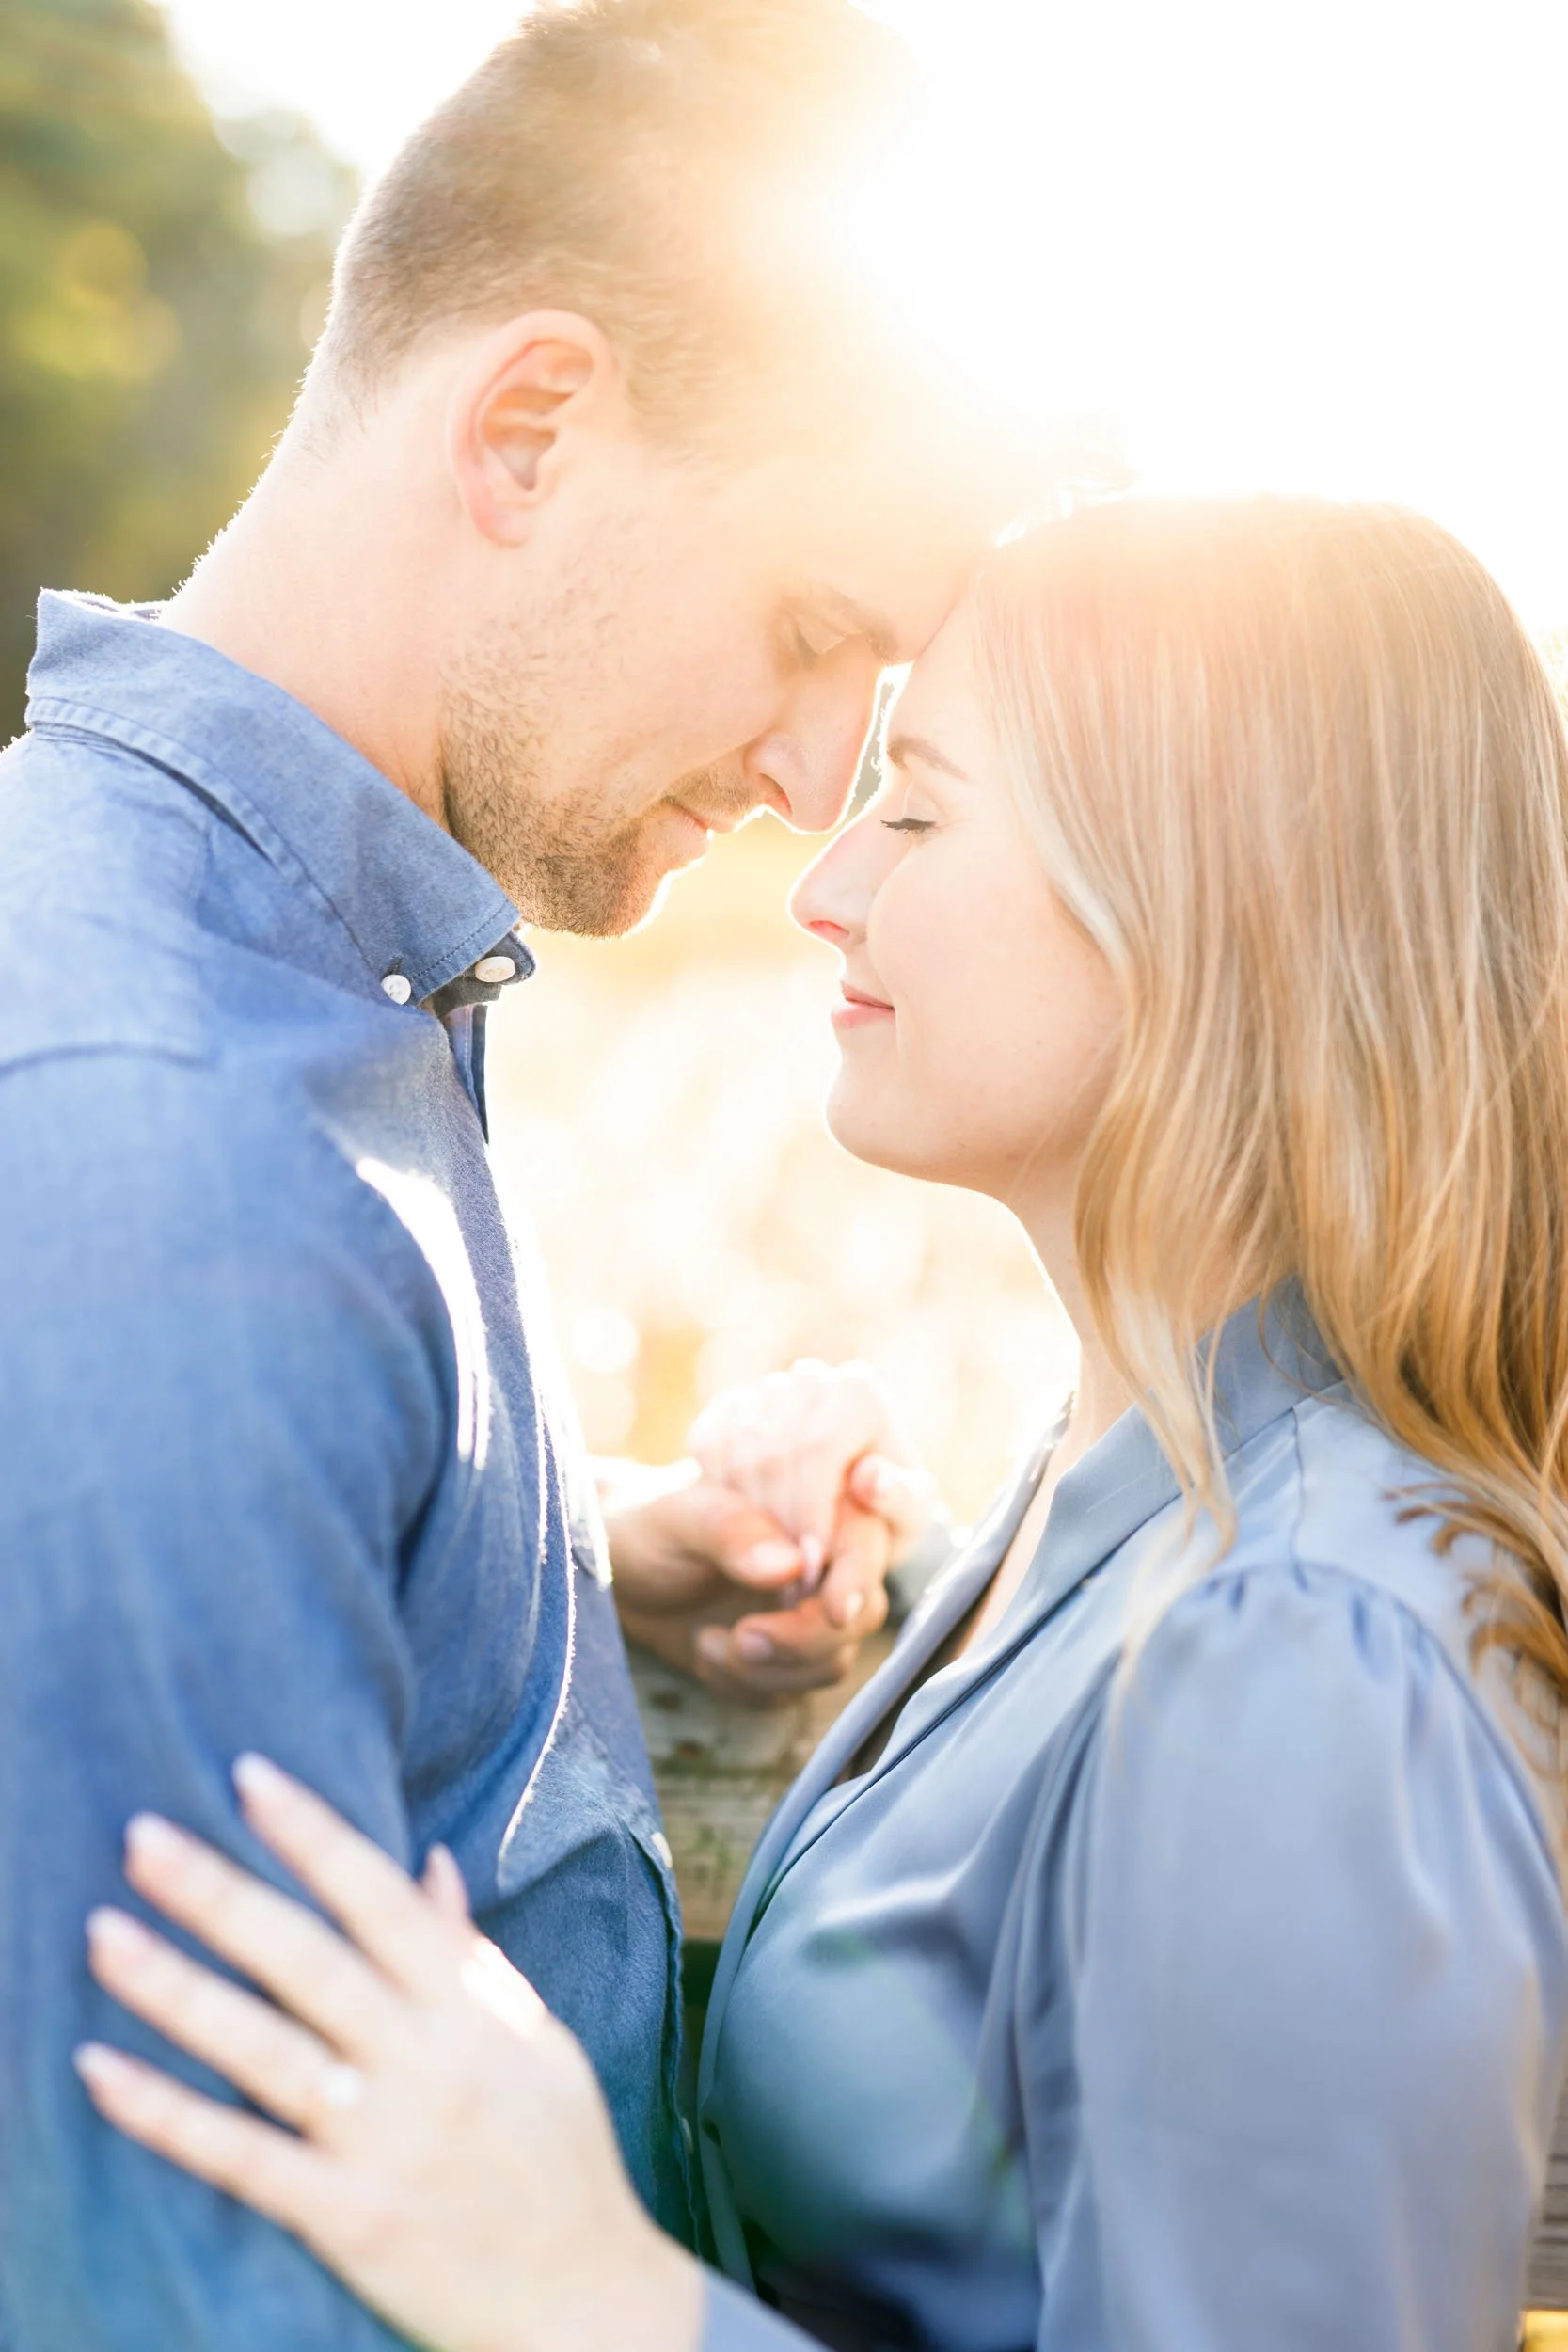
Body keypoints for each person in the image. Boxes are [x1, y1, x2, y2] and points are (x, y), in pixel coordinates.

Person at [80, 497, 1568, 2352]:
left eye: (921, 806)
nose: (823, 882)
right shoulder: (1140, 1483)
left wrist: (582, 2285)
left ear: (1211, 902)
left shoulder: (1311, 1660)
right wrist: (907, 1600)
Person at [0, 2, 1011, 2341]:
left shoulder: (318, 977)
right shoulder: (164, 1155)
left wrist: (556, 1550)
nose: (805, 773)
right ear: (530, 429)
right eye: (806, 633)